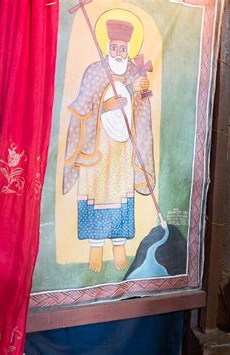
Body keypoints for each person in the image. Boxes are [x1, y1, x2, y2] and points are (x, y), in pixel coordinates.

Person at [62, 16, 155, 273]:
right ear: (107, 47)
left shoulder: (134, 72)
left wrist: (139, 91)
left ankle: (119, 246)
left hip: (123, 149)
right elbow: (81, 106)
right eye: (114, 47)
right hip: (98, 148)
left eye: (123, 49)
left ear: (129, 50)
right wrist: (105, 105)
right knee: (97, 194)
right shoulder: (95, 72)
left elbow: (142, 109)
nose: (118, 52)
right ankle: (95, 247)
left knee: (120, 195)